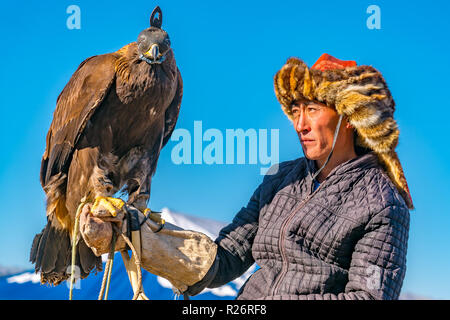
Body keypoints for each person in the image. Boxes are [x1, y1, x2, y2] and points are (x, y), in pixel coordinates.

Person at [113, 53, 413, 300]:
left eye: (311, 109)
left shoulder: (382, 202)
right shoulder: (280, 179)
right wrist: (145, 239)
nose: (300, 124)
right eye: (296, 111)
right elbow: (227, 257)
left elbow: (368, 297)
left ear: (349, 117)